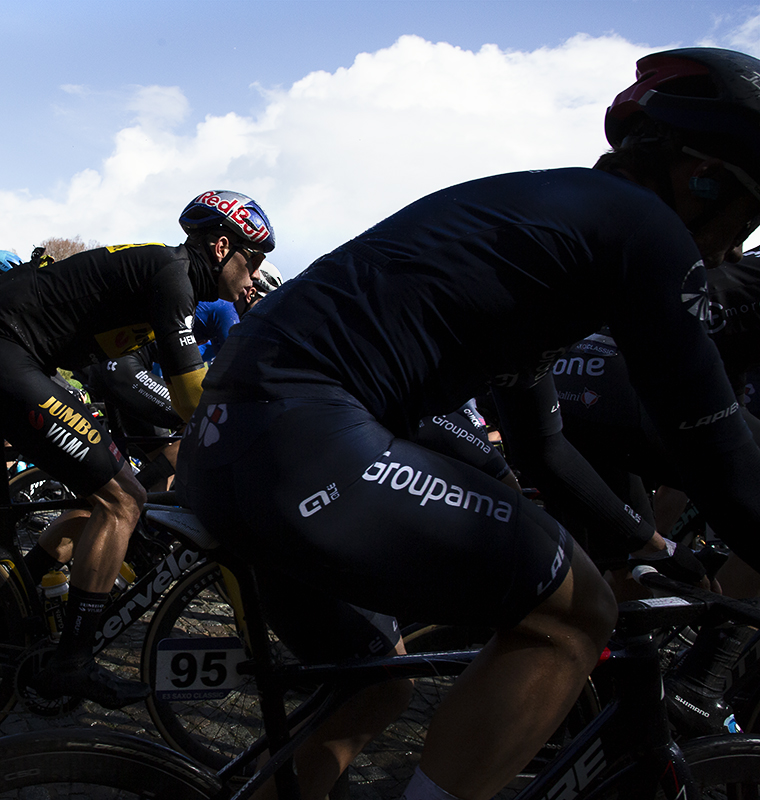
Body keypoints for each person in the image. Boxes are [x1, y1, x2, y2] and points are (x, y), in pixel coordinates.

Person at [178, 47, 760, 800]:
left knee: (375, 687)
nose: (739, 246)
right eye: (750, 211)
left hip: (238, 451)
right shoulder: (644, 232)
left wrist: (649, 543)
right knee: (578, 611)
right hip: (301, 439)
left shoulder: (564, 237)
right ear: (700, 172)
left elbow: (540, 447)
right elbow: (716, 449)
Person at [0, 189, 274, 709]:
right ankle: (72, 661)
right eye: (253, 259)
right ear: (222, 247)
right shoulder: (173, 277)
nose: (255, 275)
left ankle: (2, 596)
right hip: (6, 360)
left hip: (14, 362)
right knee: (125, 499)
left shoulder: (172, 277)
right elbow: (190, 395)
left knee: (104, 497)